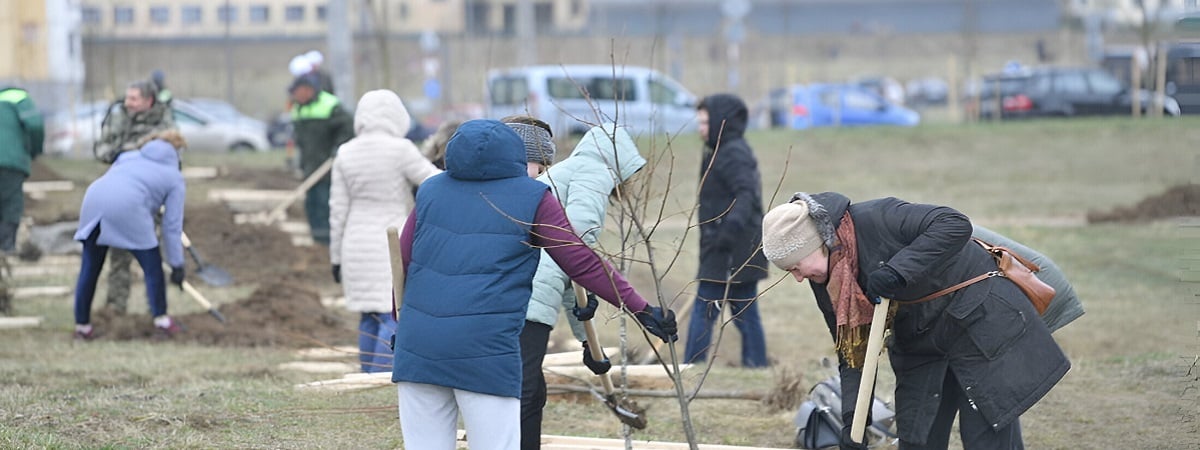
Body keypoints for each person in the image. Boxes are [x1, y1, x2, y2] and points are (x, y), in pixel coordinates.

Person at [391, 119, 677, 450]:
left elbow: (401, 265)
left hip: (419, 350)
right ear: (517, 153)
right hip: (486, 354)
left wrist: (400, 323)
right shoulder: (533, 197)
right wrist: (642, 309)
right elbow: (581, 261)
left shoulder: (430, 190)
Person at [761, 192, 1070, 449]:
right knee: (917, 436)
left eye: (796, 267)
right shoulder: (828, 281)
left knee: (986, 435)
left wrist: (897, 271)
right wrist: (853, 422)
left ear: (818, 244)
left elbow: (954, 224)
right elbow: (853, 354)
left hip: (978, 320)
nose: (798, 278)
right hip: (921, 341)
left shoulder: (877, 218)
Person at [512, 119, 649, 449]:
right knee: (524, 393)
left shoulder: (567, 171)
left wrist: (586, 341)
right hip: (531, 299)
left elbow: (570, 268)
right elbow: (576, 250)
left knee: (530, 390)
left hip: (522, 288)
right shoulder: (594, 172)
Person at [329, 90, 440, 373]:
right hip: (391, 239)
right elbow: (433, 181)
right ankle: (381, 374)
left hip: (355, 241)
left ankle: (367, 372)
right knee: (391, 312)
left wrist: (336, 258)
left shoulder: (345, 153)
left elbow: (337, 210)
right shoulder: (401, 149)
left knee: (368, 316)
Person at [72, 134, 188, 341]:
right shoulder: (174, 177)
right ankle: (162, 323)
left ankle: (82, 327)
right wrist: (177, 265)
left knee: (90, 267)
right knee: (153, 267)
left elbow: (122, 183)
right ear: (177, 153)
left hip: (94, 199)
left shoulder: (127, 157)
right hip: (129, 206)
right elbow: (171, 227)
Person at [684, 93, 770, 368]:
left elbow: (747, 195)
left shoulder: (734, 153)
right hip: (722, 244)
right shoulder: (720, 150)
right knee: (742, 310)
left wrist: (728, 232)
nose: (701, 129)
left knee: (707, 307)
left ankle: (692, 365)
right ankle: (756, 363)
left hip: (732, 247)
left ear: (721, 122)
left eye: (705, 122)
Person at [94, 79, 177, 315]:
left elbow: (172, 155)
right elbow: (101, 148)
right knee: (119, 253)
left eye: (134, 98)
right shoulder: (118, 116)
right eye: (127, 97)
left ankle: (157, 311)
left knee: (153, 255)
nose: (128, 102)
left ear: (148, 101)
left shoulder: (163, 122)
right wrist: (118, 155)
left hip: (151, 198)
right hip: (121, 195)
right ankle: (115, 308)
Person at [289, 75, 354, 245]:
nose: (295, 96)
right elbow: (300, 140)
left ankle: (328, 241)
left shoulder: (330, 105)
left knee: (325, 204)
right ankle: (317, 240)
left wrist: (337, 149)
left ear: (308, 90)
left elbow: (348, 129)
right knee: (311, 204)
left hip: (328, 167)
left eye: (297, 92)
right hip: (310, 167)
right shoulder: (298, 109)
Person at [0, 86, 44, 253]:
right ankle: (6, 250)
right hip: (10, 161)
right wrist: (35, 150)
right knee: (10, 204)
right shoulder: (19, 97)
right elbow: (35, 125)